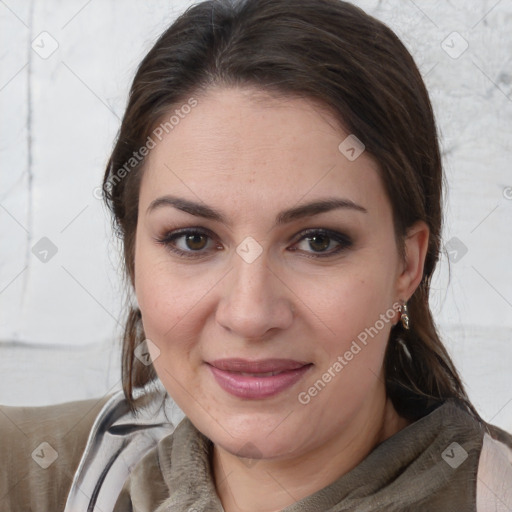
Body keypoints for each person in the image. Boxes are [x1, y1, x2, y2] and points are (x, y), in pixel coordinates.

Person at [1, 0, 511, 510]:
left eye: (318, 241)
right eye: (193, 239)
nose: (250, 315)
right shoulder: (35, 475)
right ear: (133, 257)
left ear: (407, 264)